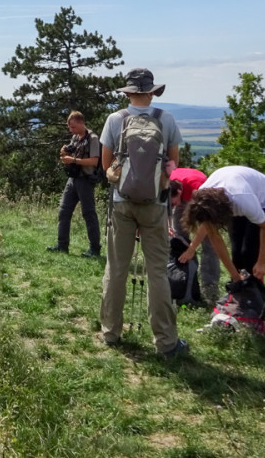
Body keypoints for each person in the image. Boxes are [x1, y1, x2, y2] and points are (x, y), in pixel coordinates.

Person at [99, 68, 187, 356]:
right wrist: (160, 181)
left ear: (127, 93)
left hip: (121, 203)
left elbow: (106, 166)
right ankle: (166, 342)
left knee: (116, 269)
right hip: (156, 205)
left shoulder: (115, 120)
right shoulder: (167, 120)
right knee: (157, 272)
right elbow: (174, 165)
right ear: (152, 92)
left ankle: (111, 333)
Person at [178, 165, 265, 283]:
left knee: (250, 255)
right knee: (237, 256)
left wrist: (261, 262)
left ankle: (257, 296)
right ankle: (240, 294)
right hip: (233, 193)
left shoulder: (243, 201)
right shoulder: (202, 199)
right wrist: (235, 276)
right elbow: (215, 238)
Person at [47, 111, 101, 257]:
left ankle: (95, 248)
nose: (71, 130)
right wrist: (64, 152)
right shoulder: (75, 138)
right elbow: (70, 151)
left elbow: (94, 161)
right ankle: (62, 245)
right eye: (70, 127)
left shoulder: (93, 139)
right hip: (73, 179)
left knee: (88, 214)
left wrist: (73, 160)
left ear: (81, 122)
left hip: (86, 180)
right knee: (64, 211)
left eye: (73, 127)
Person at [169, 167, 220, 303]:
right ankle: (183, 281)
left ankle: (210, 289)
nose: (172, 207)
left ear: (179, 192)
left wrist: (192, 249)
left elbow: (206, 224)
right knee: (179, 241)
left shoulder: (197, 188)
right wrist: (169, 226)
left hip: (201, 198)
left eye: (173, 204)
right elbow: (166, 207)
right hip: (182, 195)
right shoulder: (166, 184)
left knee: (209, 245)